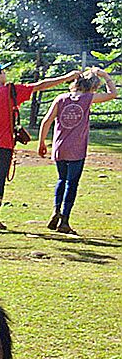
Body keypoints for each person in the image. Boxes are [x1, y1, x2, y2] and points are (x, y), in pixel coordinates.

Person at [0, 60, 77, 230]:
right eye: (3, 72)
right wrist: (67, 77)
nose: (5, 74)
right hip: (3, 144)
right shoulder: (11, 91)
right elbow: (40, 86)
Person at [37, 67, 116, 234]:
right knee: (71, 183)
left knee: (61, 179)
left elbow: (46, 121)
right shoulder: (88, 98)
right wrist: (106, 75)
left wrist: (42, 142)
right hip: (76, 149)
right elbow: (112, 94)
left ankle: (55, 210)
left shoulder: (61, 98)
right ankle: (64, 220)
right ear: (93, 87)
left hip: (60, 147)